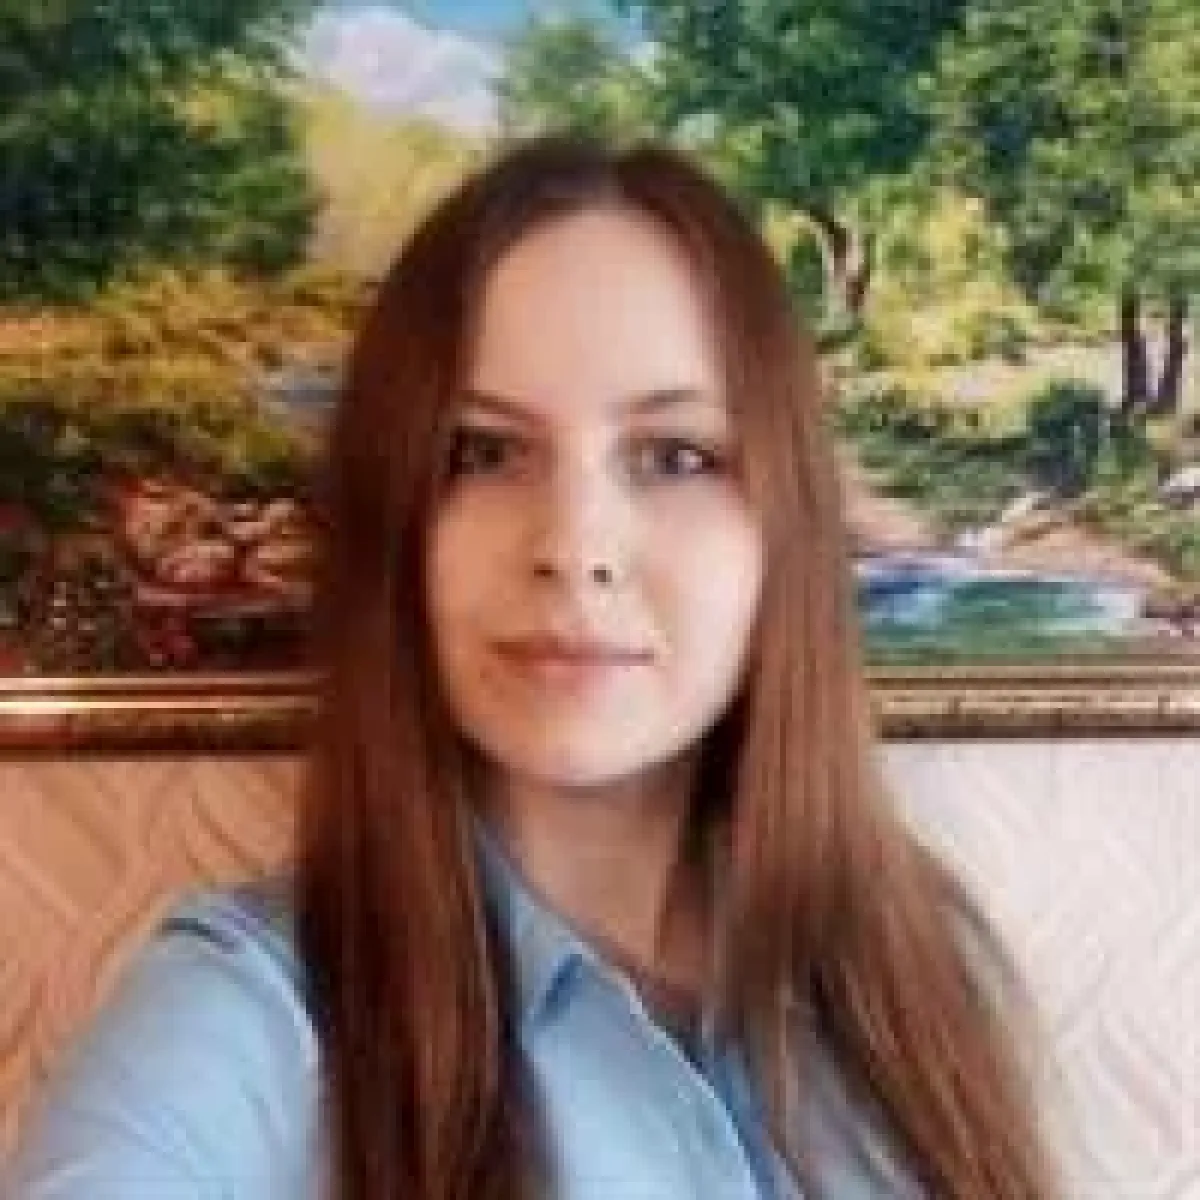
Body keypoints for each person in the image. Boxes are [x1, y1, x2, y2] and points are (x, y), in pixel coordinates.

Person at [5, 136, 1061, 1199]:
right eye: (486, 453)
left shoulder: (912, 974)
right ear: (396, 517)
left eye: (675, 456)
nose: (575, 545)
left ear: (783, 523)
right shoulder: (247, 1018)